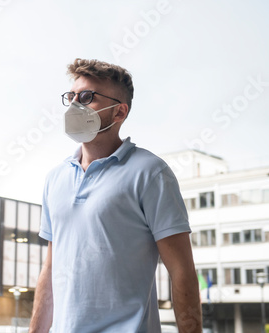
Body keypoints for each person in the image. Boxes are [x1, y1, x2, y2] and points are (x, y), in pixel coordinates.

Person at [29, 58, 202, 333]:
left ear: (119, 112)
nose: (76, 105)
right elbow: (50, 271)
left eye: (87, 97)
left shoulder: (150, 173)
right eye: (71, 96)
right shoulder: (55, 179)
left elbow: (182, 272)